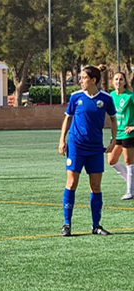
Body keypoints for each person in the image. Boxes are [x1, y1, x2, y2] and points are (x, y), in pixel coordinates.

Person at [58, 65, 117, 237]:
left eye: (83, 78)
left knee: (96, 186)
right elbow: (67, 118)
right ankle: (67, 224)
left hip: (95, 148)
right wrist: (62, 140)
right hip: (76, 146)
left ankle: (96, 225)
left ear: (93, 80)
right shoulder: (76, 97)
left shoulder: (105, 99)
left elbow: (113, 120)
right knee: (71, 183)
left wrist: (114, 141)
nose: (80, 80)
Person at [108, 72, 134, 200]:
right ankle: (132, 184)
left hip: (128, 134)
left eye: (121, 79)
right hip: (116, 134)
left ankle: (130, 191)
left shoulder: (130, 96)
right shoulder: (111, 96)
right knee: (111, 160)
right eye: (116, 79)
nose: (118, 81)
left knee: (129, 161)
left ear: (125, 82)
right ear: (112, 82)